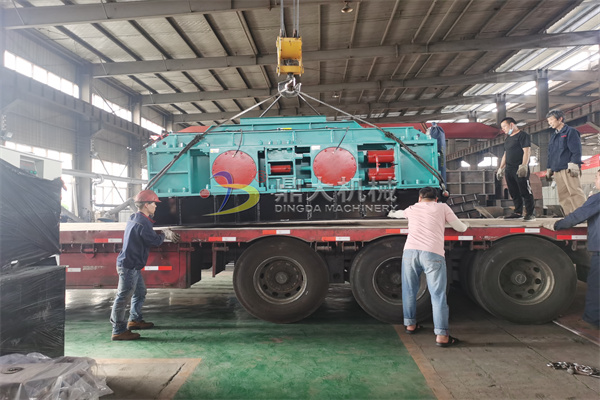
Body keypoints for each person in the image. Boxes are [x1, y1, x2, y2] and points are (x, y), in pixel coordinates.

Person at [388, 187, 469, 347]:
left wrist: (391, 212)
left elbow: (396, 214)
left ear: (419, 198)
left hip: (410, 253)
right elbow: (460, 228)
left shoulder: (412, 208)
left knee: (409, 290)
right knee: (437, 295)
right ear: (436, 199)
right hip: (432, 254)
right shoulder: (442, 207)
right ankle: (442, 336)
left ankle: (410, 325)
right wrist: (466, 225)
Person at [110, 189, 180, 341]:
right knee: (123, 297)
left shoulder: (135, 217)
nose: (156, 206)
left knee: (140, 292)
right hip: (129, 266)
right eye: (154, 203)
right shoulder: (143, 222)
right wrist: (165, 234)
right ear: (146, 205)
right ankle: (118, 330)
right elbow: (154, 241)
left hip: (132, 264)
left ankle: (134, 320)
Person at [543, 169, 600, 328]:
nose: (595, 180)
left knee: (597, 286)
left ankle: (593, 318)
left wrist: (557, 225)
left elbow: (578, 216)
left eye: (597, 177)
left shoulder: (597, 199)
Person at [546, 109, 586, 216]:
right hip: (557, 169)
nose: (550, 122)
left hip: (568, 168)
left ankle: (582, 216)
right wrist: (549, 167)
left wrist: (574, 164)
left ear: (560, 119)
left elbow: (576, 150)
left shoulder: (570, 132)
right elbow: (550, 153)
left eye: (551, 120)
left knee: (575, 192)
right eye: (548, 121)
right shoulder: (554, 135)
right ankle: (570, 216)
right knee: (563, 195)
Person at [496, 117, 536, 221]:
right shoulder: (508, 138)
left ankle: (530, 214)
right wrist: (501, 168)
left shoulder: (523, 135)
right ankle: (518, 212)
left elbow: (527, 151)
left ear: (512, 125)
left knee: (525, 191)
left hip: (519, 168)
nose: (503, 129)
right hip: (509, 169)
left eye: (504, 126)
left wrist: (524, 165)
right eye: (502, 128)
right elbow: (505, 154)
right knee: (514, 192)